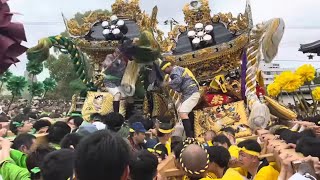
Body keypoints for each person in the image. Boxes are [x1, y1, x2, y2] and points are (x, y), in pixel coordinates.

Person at [160, 61, 200, 137]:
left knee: (182, 112)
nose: (165, 73)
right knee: (188, 113)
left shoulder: (175, 70)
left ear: (168, 67)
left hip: (191, 92)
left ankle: (189, 136)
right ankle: (193, 132)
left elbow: (178, 80)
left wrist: (167, 84)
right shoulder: (178, 70)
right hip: (189, 93)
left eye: (165, 70)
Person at [102, 48, 128, 113]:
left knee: (127, 96)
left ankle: (125, 113)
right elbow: (107, 67)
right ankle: (115, 113)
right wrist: (115, 60)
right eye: (119, 53)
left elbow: (122, 71)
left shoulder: (122, 60)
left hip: (118, 82)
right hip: (109, 81)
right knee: (117, 94)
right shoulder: (109, 57)